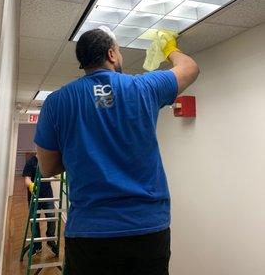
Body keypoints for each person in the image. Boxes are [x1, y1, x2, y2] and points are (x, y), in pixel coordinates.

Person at [34, 28, 199, 275]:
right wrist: (169, 48)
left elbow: (47, 167)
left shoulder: (57, 102)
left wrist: (83, 150)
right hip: (147, 229)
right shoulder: (145, 87)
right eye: (119, 52)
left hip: (90, 234)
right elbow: (190, 68)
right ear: (112, 54)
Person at [22, 154, 58, 256]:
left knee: (51, 218)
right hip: (34, 198)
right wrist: (31, 185)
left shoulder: (47, 161)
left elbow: (54, 172)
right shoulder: (31, 162)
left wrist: (59, 175)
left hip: (47, 196)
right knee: (34, 221)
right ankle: (37, 245)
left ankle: (51, 240)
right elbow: (27, 179)